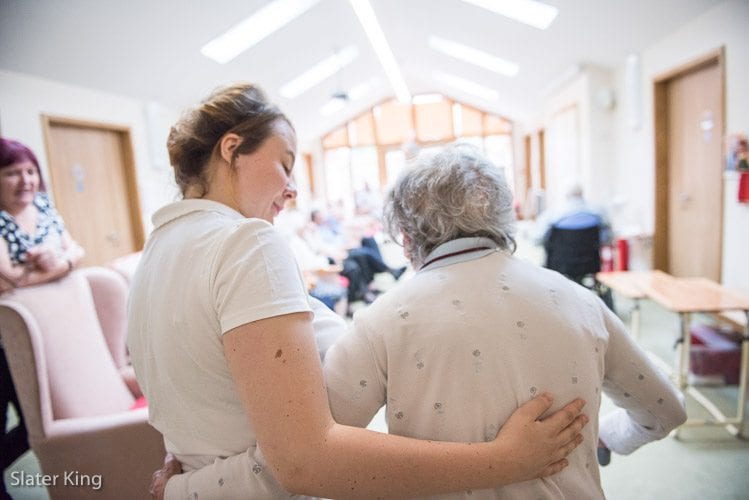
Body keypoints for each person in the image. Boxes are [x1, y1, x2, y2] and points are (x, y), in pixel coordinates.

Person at [128, 83, 588, 500]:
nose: (291, 190)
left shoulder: (157, 252)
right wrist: (505, 461)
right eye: (285, 164)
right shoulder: (247, 243)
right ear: (232, 149)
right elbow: (305, 462)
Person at [321, 143, 685, 498]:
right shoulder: (581, 302)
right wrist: (606, 437)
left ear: (404, 236)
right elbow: (666, 410)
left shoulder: (382, 322)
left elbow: (314, 450)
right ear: (504, 216)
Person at [0, 137, 85, 498]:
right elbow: (4, 276)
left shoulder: (45, 207)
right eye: (12, 173)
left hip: (54, 333)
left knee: (44, 423)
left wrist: (58, 263)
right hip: (7, 338)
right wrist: (63, 265)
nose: (26, 181)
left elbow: (78, 249)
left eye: (30, 171)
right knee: (15, 420)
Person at [532, 182, 612, 246]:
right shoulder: (598, 211)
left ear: (566, 195)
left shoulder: (552, 214)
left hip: (558, 264)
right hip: (591, 263)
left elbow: (537, 240)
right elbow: (607, 238)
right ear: (582, 193)